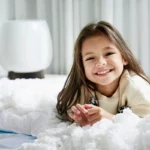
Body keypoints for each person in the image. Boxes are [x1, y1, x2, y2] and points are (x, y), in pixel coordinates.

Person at [56, 21, 150, 126]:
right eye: (90, 58)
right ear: (82, 66)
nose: (100, 63)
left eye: (109, 53)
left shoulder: (136, 86)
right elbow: (68, 113)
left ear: (124, 57)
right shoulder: (81, 89)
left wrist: (110, 119)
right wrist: (80, 120)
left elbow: (144, 126)